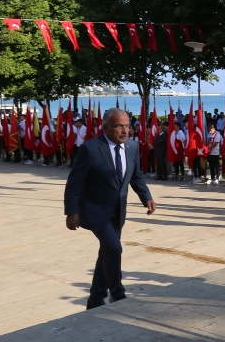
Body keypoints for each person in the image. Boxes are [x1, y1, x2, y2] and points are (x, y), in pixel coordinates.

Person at [64, 108, 156, 309]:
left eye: (127, 126)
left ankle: (95, 299)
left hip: (118, 211)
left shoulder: (132, 147)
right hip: (95, 210)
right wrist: (71, 212)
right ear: (105, 128)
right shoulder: (90, 149)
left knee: (107, 252)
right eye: (119, 126)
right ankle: (117, 293)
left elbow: (136, 175)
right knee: (114, 248)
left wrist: (146, 197)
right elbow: (74, 183)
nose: (125, 131)